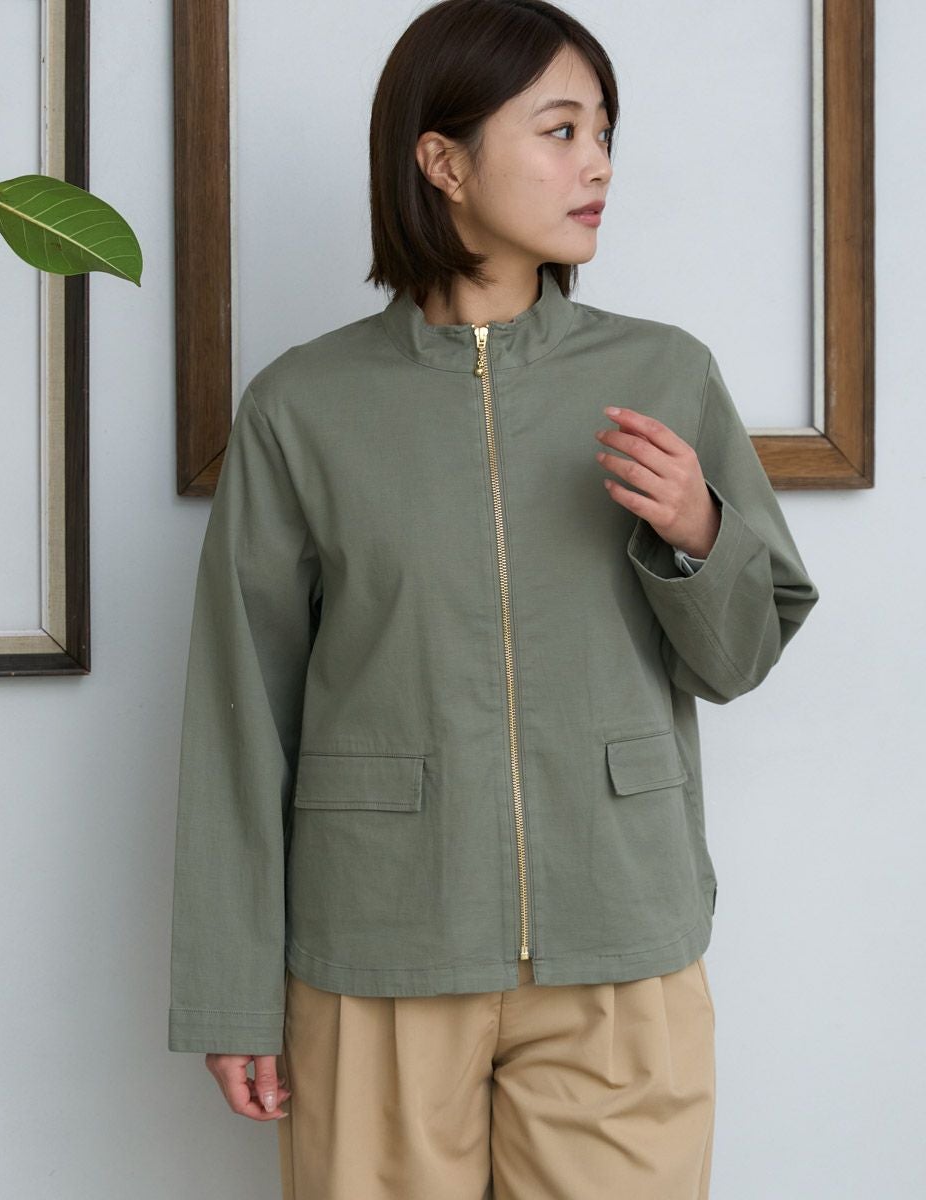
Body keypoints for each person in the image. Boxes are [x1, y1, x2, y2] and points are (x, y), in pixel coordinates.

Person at [167, 1, 820, 1196]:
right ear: (444, 160)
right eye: (562, 130)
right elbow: (239, 711)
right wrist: (229, 989)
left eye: (605, 132)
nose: (599, 164)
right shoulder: (302, 407)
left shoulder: (664, 373)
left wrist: (700, 531)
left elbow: (736, 661)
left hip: (619, 940)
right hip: (381, 947)